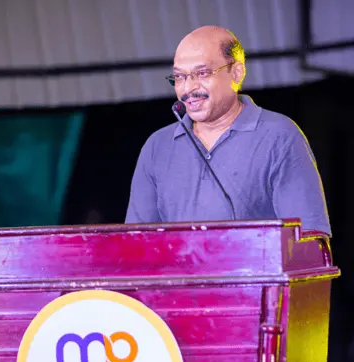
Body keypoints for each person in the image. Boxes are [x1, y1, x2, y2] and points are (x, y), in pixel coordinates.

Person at [125, 25, 331, 236]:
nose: (188, 88)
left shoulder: (279, 136)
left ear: (236, 73)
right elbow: (136, 241)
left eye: (202, 73)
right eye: (179, 77)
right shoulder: (158, 146)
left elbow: (309, 239)